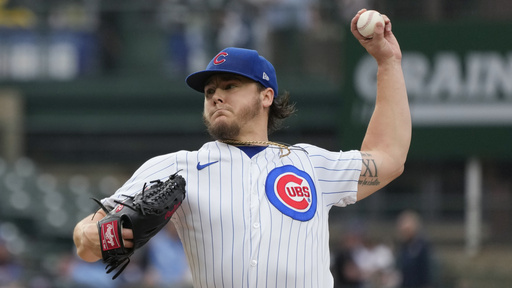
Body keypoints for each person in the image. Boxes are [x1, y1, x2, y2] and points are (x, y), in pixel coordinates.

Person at [73, 8, 411, 287]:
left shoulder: (310, 164)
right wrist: (93, 236)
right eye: (209, 92)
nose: (216, 95)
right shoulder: (177, 168)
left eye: (230, 85)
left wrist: (387, 63)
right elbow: (86, 239)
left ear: (266, 96)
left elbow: (389, 158)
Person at [395, 210, 434, 288]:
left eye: (407, 230)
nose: (405, 233)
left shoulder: (422, 246)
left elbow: (427, 271)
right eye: (403, 230)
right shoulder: (403, 247)